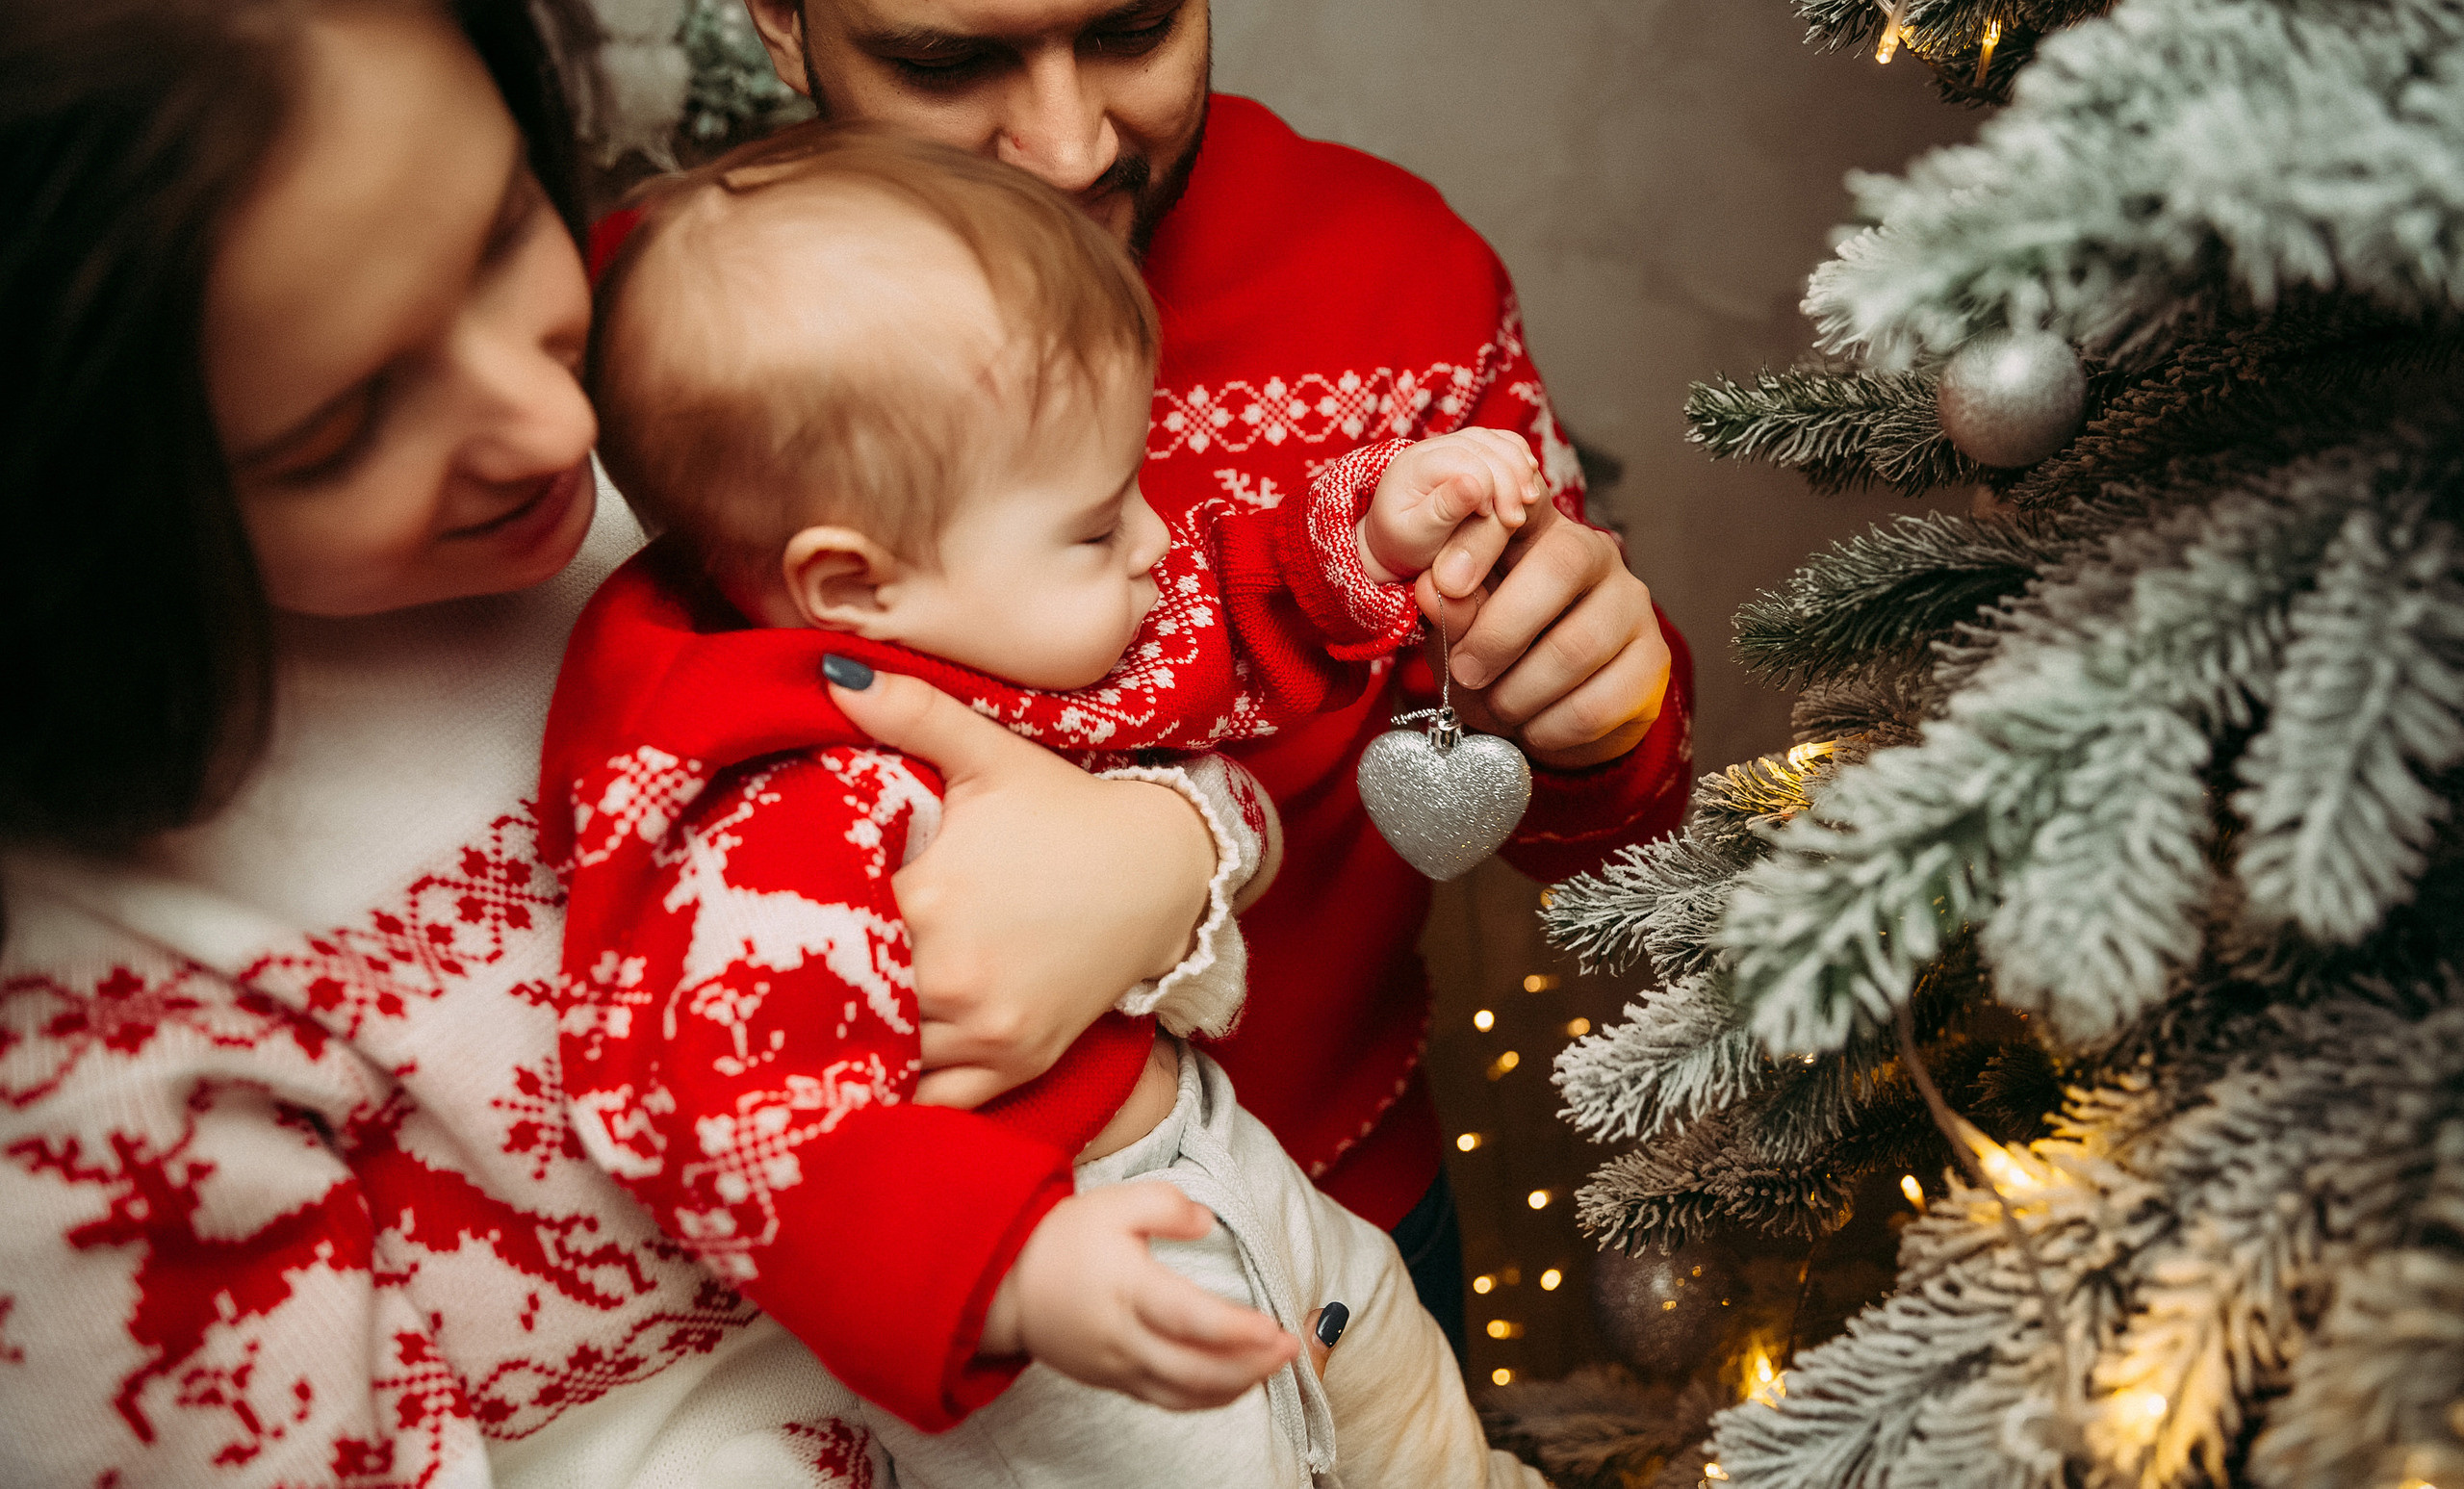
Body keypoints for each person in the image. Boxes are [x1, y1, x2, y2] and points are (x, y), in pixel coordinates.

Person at [0, 1, 1288, 1483]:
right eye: (348, 422)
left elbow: (1101, 712)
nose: (553, 421)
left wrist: (1173, 848)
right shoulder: (89, 1055)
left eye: (500, 234)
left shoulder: (693, 439)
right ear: (84, 504)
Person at [552, 121, 1553, 1486]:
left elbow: (1203, 620)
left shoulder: (963, 621)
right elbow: (739, 1125)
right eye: (1094, 525)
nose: (1151, 536)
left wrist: (1374, 534)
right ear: (851, 585)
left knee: (1418, 1409)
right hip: (1078, 1292)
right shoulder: (771, 814)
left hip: (1245, 1184)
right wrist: (1011, 1273)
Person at [735, 0, 1698, 1346]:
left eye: (1132, 30)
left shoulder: (1402, 280)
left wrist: (1601, 724)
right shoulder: (679, 351)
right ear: (781, 22)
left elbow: (1610, 851)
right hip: (892, 1299)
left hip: (1344, 1234)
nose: (1069, 149)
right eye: (946, 63)